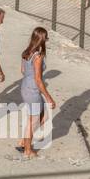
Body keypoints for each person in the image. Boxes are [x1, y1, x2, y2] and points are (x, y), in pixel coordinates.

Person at [17, 27, 56, 158]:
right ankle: (28, 151)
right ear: (43, 39)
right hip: (33, 90)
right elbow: (38, 80)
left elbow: (22, 70)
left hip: (25, 87)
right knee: (33, 121)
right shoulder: (38, 56)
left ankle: (24, 141)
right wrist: (49, 98)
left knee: (43, 117)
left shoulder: (26, 52)